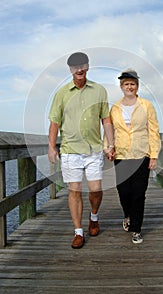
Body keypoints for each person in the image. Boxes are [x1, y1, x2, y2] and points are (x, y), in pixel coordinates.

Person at [48, 52, 114, 249]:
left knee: (96, 189)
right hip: (70, 150)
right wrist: (51, 147)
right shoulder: (61, 93)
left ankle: (94, 216)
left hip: (93, 150)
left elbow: (106, 120)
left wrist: (110, 144)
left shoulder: (100, 90)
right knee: (74, 190)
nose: (79, 70)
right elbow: (54, 122)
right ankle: (78, 231)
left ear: (88, 66)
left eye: (82, 65)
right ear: (70, 70)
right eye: (75, 67)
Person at [105, 69, 161, 244]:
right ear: (121, 87)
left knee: (138, 193)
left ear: (137, 86)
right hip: (121, 154)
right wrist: (107, 148)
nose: (129, 87)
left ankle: (136, 229)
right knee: (123, 191)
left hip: (141, 154)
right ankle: (127, 215)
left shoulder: (146, 105)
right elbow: (109, 130)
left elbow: (153, 131)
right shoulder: (115, 107)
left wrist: (153, 155)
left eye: (133, 84)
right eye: (126, 84)